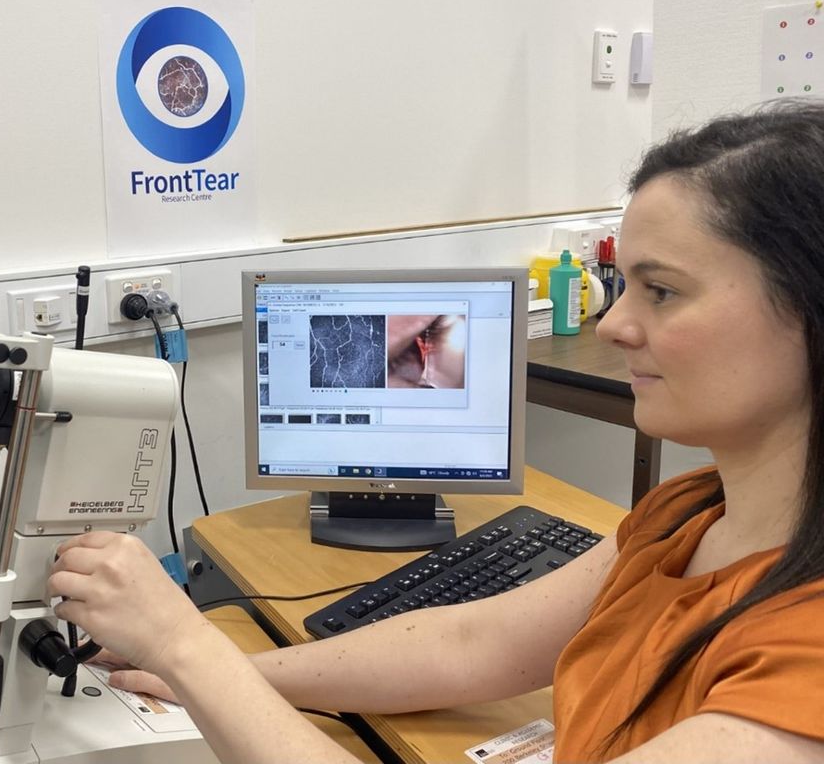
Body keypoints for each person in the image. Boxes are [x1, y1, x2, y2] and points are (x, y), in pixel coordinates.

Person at [49, 98, 824, 763]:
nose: (615, 323)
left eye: (661, 290)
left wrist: (185, 645)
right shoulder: (685, 517)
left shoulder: (805, 666)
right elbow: (472, 647)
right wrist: (209, 665)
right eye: (627, 286)